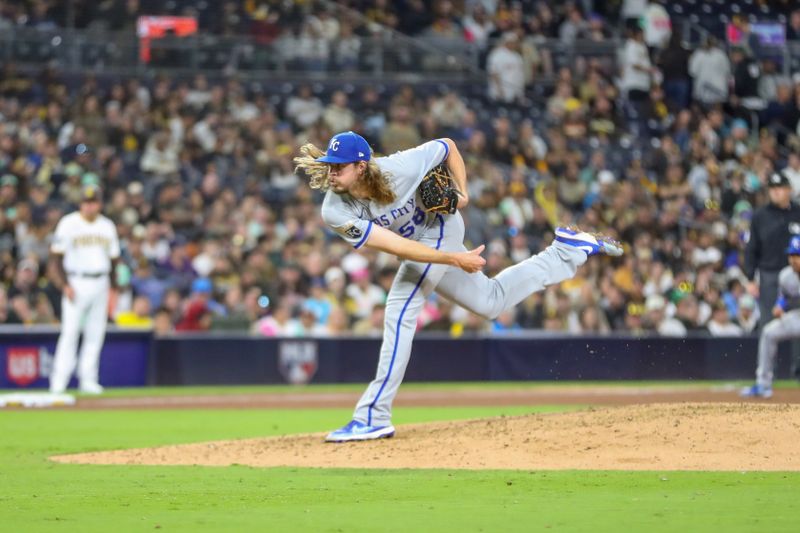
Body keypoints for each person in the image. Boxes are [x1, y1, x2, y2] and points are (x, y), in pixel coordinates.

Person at [294, 131, 623, 442]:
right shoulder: (334, 210)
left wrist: (462, 194)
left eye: (339, 166)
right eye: (329, 166)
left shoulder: (399, 167)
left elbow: (447, 145)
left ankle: (373, 416)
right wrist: (451, 259)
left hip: (441, 226)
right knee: (490, 302)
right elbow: (396, 247)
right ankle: (566, 251)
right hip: (422, 245)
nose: (331, 173)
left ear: (362, 166)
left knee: (399, 309)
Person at [49, 184, 120, 394]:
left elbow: (114, 260)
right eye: (86, 202)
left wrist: (114, 289)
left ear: (99, 204)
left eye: (93, 202)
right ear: (81, 203)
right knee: (70, 332)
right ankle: (59, 381)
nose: (90, 206)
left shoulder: (107, 226)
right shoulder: (68, 223)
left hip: (101, 282)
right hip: (76, 281)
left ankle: (88, 379)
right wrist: (64, 285)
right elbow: (55, 259)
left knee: (95, 333)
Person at [741, 236, 800, 398]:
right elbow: (785, 296)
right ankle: (763, 384)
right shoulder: (785, 275)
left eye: (798, 255)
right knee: (768, 332)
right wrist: (779, 306)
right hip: (797, 317)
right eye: (792, 255)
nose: (794, 260)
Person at [744, 172, 800, 330]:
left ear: (789, 189)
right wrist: (750, 278)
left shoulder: (798, 212)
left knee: (797, 321)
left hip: (796, 275)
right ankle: (769, 356)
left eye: (780, 187)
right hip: (769, 275)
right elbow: (751, 247)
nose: (776, 191)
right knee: (770, 323)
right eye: (772, 188)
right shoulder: (760, 215)